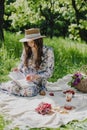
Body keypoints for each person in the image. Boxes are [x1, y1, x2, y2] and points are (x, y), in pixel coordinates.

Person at [0, 28, 54, 97]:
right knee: (13, 86)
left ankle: (10, 88)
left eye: (31, 41)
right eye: (27, 42)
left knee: (29, 92)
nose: (29, 44)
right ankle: (9, 87)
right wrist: (18, 69)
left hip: (37, 82)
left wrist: (35, 76)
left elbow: (49, 72)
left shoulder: (48, 51)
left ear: (38, 40)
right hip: (23, 80)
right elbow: (22, 64)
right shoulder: (27, 49)